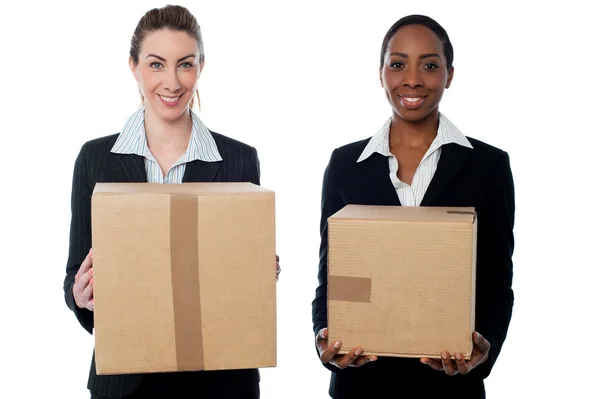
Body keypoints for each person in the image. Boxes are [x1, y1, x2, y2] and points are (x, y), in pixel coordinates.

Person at [63, 5, 279, 398]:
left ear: (200, 67)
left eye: (185, 64)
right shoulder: (95, 159)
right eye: (156, 64)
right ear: (134, 66)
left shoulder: (238, 159)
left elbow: (238, 281)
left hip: (220, 379)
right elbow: (76, 273)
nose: (172, 82)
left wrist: (259, 274)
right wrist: (80, 296)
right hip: (126, 381)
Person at [311, 14, 515, 399]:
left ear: (449, 74)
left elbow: (496, 282)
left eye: (430, 65)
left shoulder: (489, 166)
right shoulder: (344, 165)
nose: (413, 79)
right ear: (381, 72)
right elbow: (332, 279)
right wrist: (324, 338)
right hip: (361, 385)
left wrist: (480, 353)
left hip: (450, 388)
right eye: (398, 63)